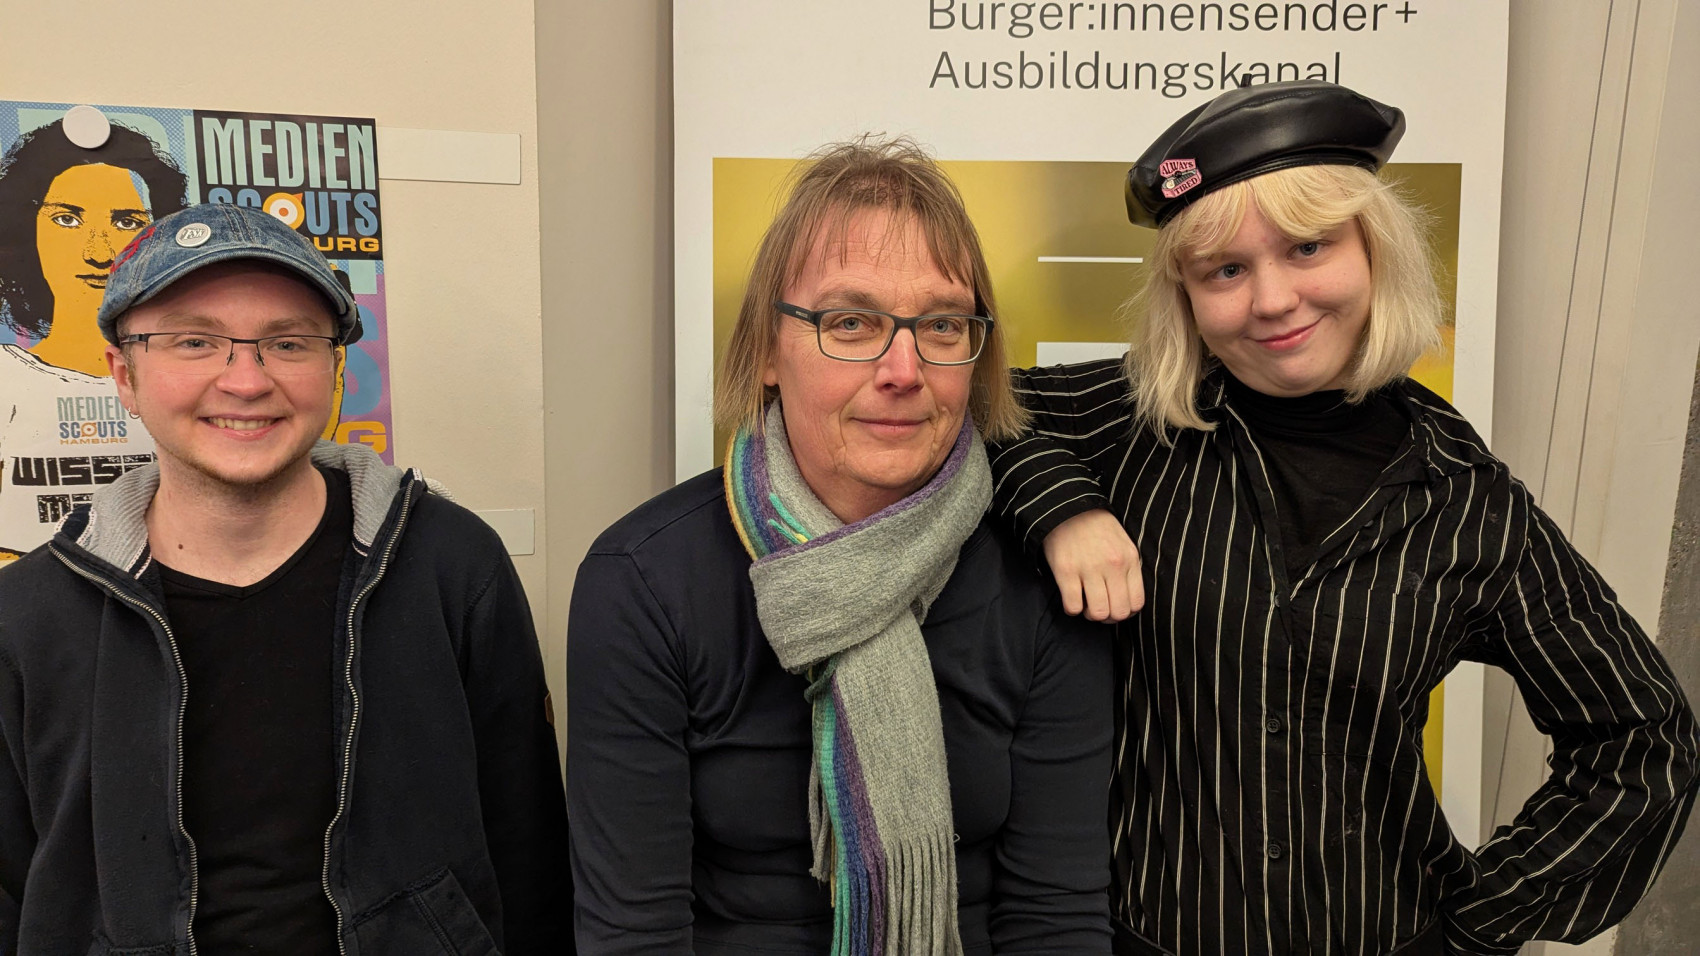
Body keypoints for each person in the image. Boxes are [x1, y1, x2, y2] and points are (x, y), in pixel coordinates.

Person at [987, 81, 1699, 955]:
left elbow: (1645, 740)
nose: (1273, 299)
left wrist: (1477, 928)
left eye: (1308, 246)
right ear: (1188, 296)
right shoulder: (1129, 426)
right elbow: (976, 410)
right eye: (1226, 270)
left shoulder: (1465, 499)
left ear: (1374, 249)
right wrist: (1064, 506)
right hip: (1146, 933)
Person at [567, 138, 1113, 955]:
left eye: (942, 324)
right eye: (850, 323)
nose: (904, 369)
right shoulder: (644, 580)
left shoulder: (1042, 575)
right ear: (767, 351)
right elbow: (633, 932)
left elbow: (1055, 916)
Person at [0, 203, 570, 952]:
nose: (246, 380)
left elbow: (528, 848)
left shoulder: (451, 564)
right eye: (194, 341)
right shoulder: (26, 615)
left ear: (335, 369)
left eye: (288, 343)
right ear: (124, 374)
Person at [0, 117, 188, 560]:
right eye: (67, 219)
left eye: (127, 222)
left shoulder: (196, 377)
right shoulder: (6, 376)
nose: (99, 252)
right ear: (27, 231)